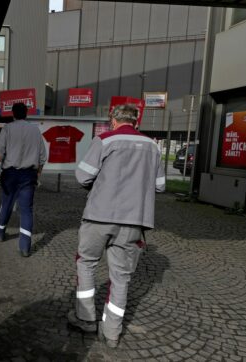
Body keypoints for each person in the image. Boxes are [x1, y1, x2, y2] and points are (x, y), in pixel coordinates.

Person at [67, 104, 165, 348]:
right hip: (134, 220)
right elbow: (160, 185)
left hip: (99, 216)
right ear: (136, 121)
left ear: (113, 120)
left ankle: (86, 319)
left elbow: (82, 176)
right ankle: (112, 333)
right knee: (121, 278)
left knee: (86, 264)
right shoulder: (153, 146)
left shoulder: (105, 140)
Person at [0, 102, 47, 257]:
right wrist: (37, 174)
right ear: (26, 114)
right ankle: (25, 247)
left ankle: (0, 232)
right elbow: (42, 157)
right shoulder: (35, 131)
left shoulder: (7, 129)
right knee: (26, 210)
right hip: (29, 175)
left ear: (13, 114)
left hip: (9, 175)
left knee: (7, 203)